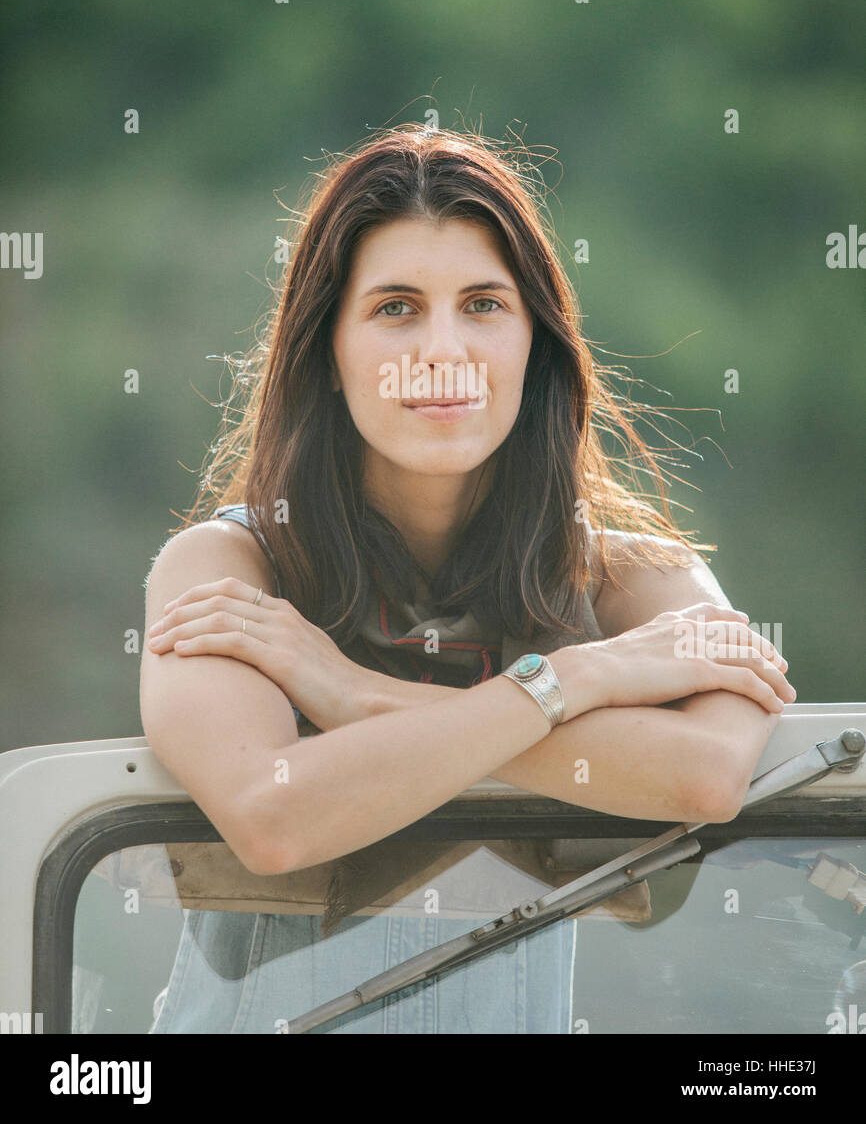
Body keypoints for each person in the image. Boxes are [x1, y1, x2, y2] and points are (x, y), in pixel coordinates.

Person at [140, 123, 795, 1033]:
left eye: (484, 305)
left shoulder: (631, 580)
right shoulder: (230, 567)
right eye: (396, 307)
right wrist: (577, 682)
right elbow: (274, 820)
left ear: (537, 345)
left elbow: (710, 778)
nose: (442, 349)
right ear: (329, 350)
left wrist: (355, 695)